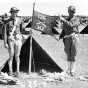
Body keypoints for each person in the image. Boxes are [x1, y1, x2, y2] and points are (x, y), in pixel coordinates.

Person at [3, 7, 27, 77]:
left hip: (18, 39)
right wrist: (5, 43)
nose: (15, 13)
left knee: (17, 56)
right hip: (11, 40)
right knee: (11, 56)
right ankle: (10, 71)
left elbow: (22, 30)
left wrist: (28, 32)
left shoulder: (19, 20)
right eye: (13, 12)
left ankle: (17, 71)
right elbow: (5, 33)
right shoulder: (6, 21)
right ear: (11, 12)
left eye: (16, 12)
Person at [59, 5, 80, 76]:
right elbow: (64, 30)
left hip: (74, 37)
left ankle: (72, 70)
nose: (70, 12)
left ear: (74, 12)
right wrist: (59, 37)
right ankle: (68, 69)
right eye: (69, 11)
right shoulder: (67, 19)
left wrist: (63, 20)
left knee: (73, 54)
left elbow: (71, 26)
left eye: (71, 11)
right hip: (67, 38)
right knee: (68, 53)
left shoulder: (76, 19)